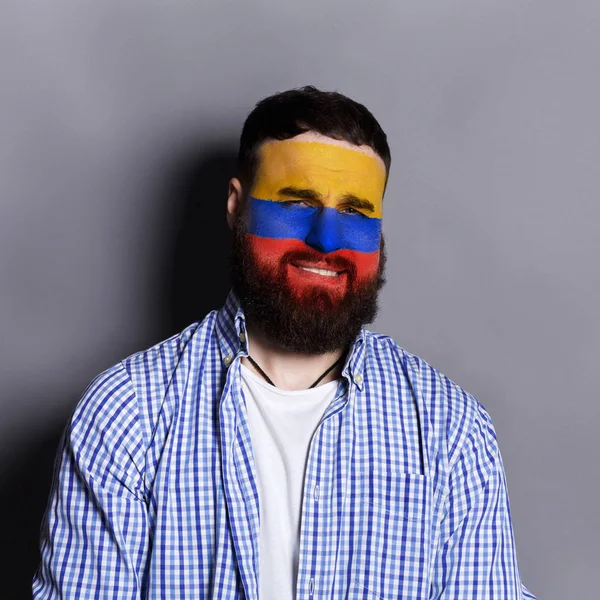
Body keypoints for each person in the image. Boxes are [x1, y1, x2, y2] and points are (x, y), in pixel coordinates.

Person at [33, 86, 536, 599]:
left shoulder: (451, 431)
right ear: (236, 207)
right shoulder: (125, 415)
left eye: (357, 212)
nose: (326, 239)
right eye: (298, 202)